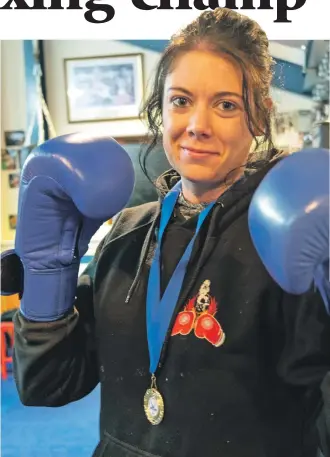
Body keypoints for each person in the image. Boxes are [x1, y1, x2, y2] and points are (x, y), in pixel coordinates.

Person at [7, 7, 330, 457]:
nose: (197, 125)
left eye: (225, 104)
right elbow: (48, 384)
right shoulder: (126, 234)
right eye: (181, 100)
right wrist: (46, 272)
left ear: (258, 116)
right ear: (162, 109)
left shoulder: (286, 236)